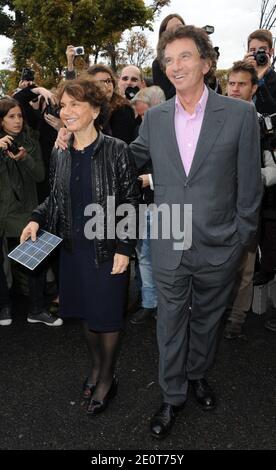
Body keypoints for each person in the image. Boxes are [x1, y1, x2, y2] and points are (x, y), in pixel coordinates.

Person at [130, 25, 262, 439]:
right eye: (168, 60)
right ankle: (172, 396)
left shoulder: (241, 115)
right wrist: (80, 137)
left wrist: (243, 238)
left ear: (205, 62)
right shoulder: (154, 118)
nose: (175, 66)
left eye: (184, 56)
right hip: (169, 240)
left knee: (206, 321)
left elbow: (249, 185)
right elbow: (126, 160)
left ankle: (198, 373)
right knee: (169, 323)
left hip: (220, 245)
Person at [20, 78, 140, 415]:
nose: (66, 111)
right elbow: (55, 198)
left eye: (75, 104)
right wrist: (35, 218)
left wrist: (124, 248)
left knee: (107, 318)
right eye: (63, 104)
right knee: (86, 316)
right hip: (72, 251)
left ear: (95, 110)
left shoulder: (117, 149)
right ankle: (97, 367)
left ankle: (106, 377)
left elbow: (130, 202)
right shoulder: (61, 151)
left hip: (107, 250)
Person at [0, 98, 62, 327]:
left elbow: (40, 176)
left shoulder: (31, 142)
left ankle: (36, 308)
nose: (17, 121)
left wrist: (24, 158)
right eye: (11, 116)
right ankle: (3, 307)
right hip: (2, 209)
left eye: (20, 116)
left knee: (35, 258)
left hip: (25, 208)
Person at [223, 61, 259, 339]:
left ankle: (237, 317)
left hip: (247, 204)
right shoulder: (215, 119)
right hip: (217, 206)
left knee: (245, 268)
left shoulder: (262, 122)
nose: (235, 89)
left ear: (253, 88)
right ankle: (216, 311)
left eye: (242, 84)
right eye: (231, 83)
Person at [130, 86, 166, 325]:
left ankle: (170, 307)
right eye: (140, 115)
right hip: (144, 206)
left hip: (169, 207)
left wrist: (151, 180)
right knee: (144, 257)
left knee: (170, 260)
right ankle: (149, 304)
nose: (142, 120)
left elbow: (187, 173)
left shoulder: (177, 131)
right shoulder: (142, 131)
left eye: (145, 114)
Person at [244, 29, 276, 287]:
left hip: (272, 155)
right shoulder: (243, 79)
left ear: (271, 52)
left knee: (270, 216)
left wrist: (262, 80)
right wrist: (249, 75)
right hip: (248, 155)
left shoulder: (271, 80)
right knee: (251, 214)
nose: (257, 54)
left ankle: (268, 268)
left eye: (261, 50)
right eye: (252, 50)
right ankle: (251, 266)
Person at [152, 13, 185, 100]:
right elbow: (164, 97)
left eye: (180, 28)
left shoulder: (197, 57)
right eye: (171, 30)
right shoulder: (158, 64)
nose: (177, 32)